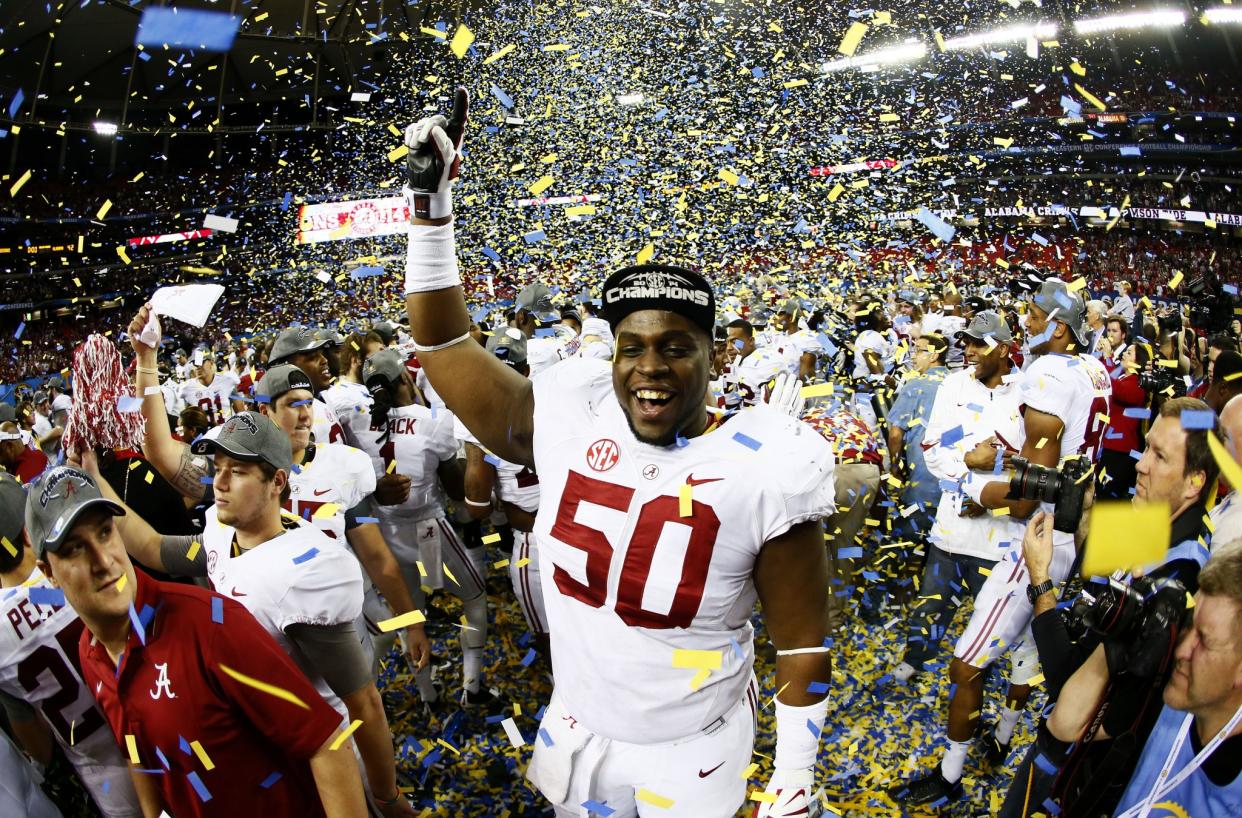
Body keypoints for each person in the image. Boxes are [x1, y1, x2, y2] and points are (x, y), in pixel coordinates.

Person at [400, 90, 835, 817]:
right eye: (632, 347)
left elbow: (800, 647)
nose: (650, 367)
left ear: (713, 355)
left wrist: (794, 775)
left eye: (675, 347)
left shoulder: (766, 462)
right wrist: (430, 211)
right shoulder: (570, 410)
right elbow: (444, 345)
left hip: (694, 748)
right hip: (578, 727)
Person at [79, 397, 418, 817]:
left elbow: (363, 701)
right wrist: (94, 477)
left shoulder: (305, 570)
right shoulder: (224, 535)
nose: (219, 483)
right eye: (217, 468)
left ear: (278, 482)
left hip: (317, 754)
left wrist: (385, 794)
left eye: (236, 472)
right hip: (256, 743)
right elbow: (151, 547)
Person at [26, 465, 367, 817]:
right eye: (74, 550)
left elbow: (328, 744)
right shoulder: (91, 652)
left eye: (105, 533)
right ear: (48, 572)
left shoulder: (210, 626)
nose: (103, 561)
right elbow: (136, 750)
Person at [893, 279, 1113, 806]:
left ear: (1059, 327)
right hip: (1065, 533)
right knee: (1027, 654)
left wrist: (982, 492)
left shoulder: (1048, 372)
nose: (1027, 321)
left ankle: (948, 778)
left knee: (965, 665)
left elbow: (1035, 485)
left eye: (1035, 314)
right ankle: (1006, 735)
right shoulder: (1093, 367)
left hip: (1033, 538)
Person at [1000, 396, 1220, 817]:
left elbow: (1068, 688)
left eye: (1159, 456)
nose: (1140, 464)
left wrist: (1040, 579)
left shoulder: (1178, 577)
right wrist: (1083, 512)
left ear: (1194, 481)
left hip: (1070, 770)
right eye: (1146, 446)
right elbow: (1095, 592)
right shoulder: (1158, 522)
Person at [1040, 540, 1242, 817]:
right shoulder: (1178, 692)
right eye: (1189, 627)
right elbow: (1063, 725)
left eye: (1204, 642)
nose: (1183, 650)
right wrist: (1121, 635)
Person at [891, 312, 1024, 687]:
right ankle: (915, 658)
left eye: (979, 344)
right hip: (952, 526)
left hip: (1000, 534)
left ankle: (987, 672)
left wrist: (992, 498)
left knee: (995, 615)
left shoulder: (1026, 391)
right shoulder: (954, 386)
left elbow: (1031, 463)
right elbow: (933, 449)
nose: (969, 351)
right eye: (966, 342)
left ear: (1003, 348)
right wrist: (969, 464)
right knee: (931, 604)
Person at [355, 349, 491, 708]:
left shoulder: (356, 423)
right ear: (405, 379)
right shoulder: (434, 418)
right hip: (429, 531)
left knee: (409, 614)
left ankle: (427, 694)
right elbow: (457, 489)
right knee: (474, 598)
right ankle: (472, 685)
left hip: (384, 536)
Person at [0, 472, 141, 817]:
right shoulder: (85, 573)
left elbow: (38, 744)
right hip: (160, 736)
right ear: (27, 532)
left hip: (107, 776)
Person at [885, 332, 950, 538]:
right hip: (954, 483)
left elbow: (895, 434)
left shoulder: (916, 385)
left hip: (922, 481)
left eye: (918, 351)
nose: (913, 356)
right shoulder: (959, 383)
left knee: (909, 544)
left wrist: (895, 467)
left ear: (933, 356)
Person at [1097, 341, 1153, 500]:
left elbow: (1113, 386)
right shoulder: (1121, 377)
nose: (1123, 354)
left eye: (1129, 353)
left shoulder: (1138, 385)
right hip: (1109, 446)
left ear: (1138, 361)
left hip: (1120, 451)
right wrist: (1104, 359)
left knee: (1106, 495)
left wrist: (1108, 358)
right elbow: (1105, 377)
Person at [178, 353, 242, 427]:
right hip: (205, 435)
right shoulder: (187, 388)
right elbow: (187, 420)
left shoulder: (227, 382)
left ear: (211, 362)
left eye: (200, 362)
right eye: (195, 364)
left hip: (227, 433)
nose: (197, 367)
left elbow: (241, 413)